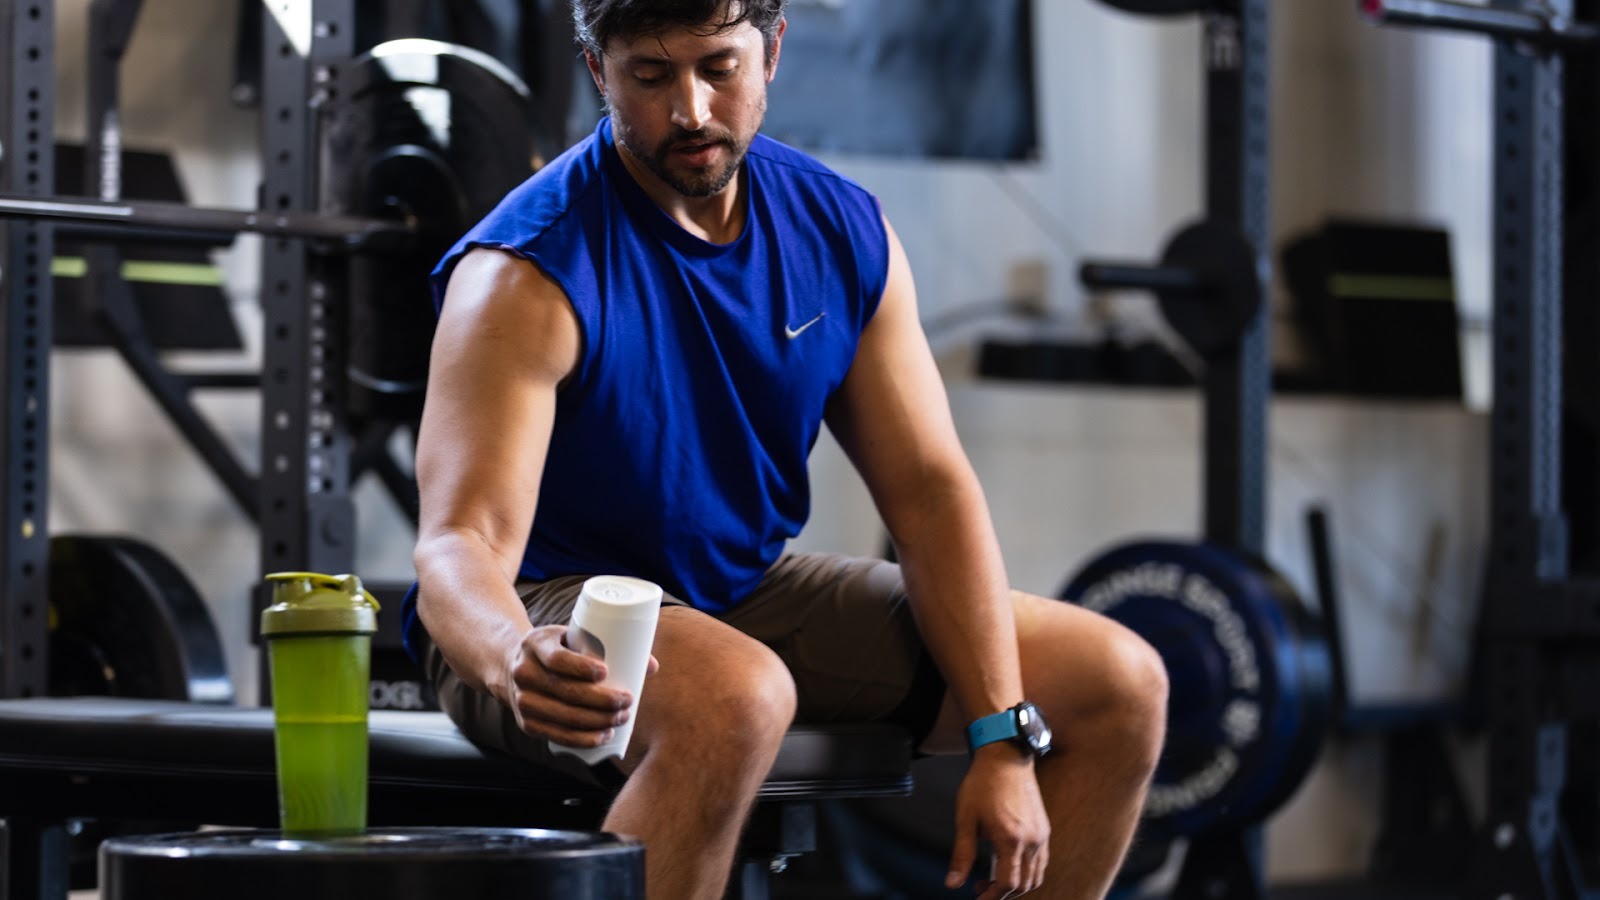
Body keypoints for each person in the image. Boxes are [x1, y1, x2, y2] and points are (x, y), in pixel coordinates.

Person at [405, 0, 1169, 897]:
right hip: (542, 612)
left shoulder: (838, 230)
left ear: (770, 51)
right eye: (650, 76)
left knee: (1120, 684)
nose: (690, 110)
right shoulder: (525, 272)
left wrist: (1002, 734)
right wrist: (508, 655)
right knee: (739, 696)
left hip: (739, 593)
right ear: (597, 73)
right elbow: (460, 544)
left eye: (717, 68)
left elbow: (928, 492)